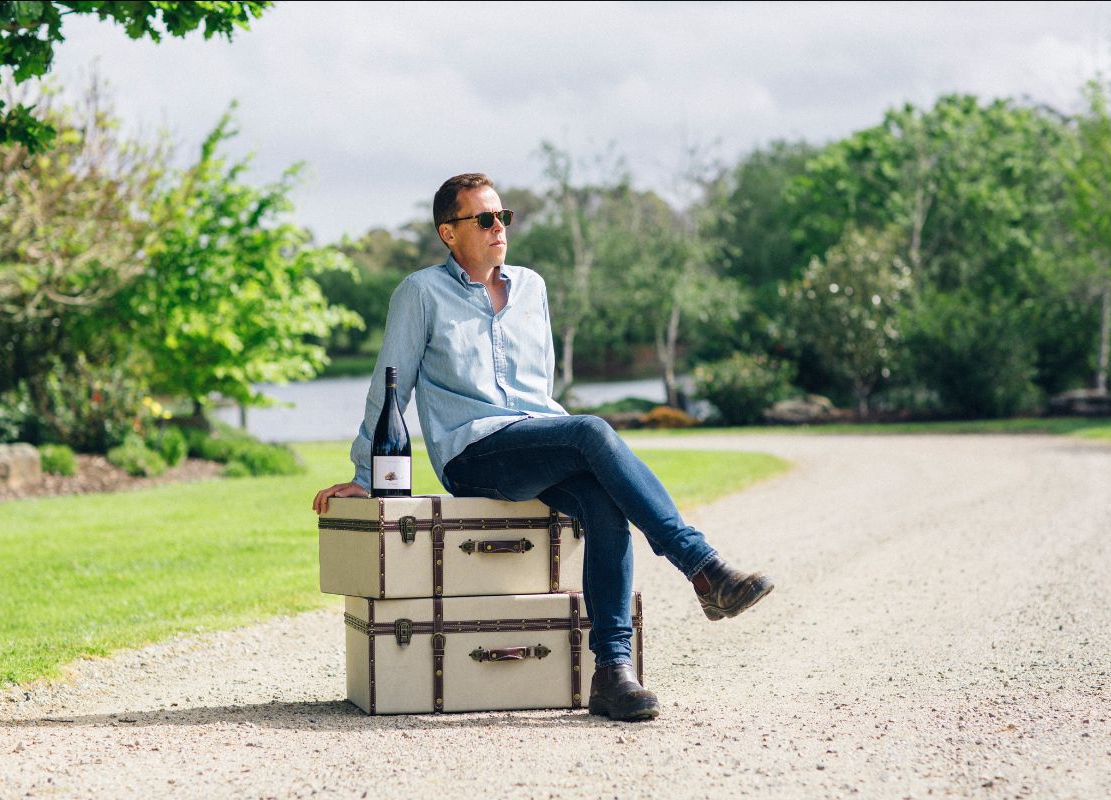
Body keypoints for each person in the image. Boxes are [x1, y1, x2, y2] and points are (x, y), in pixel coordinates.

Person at [312, 173, 774, 722]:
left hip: (537, 438)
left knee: (605, 505)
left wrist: (568, 444)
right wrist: (365, 475)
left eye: (502, 217)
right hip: (473, 452)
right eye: (483, 219)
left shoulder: (532, 286)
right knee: (591, 430)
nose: (498, 227)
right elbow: (390, 383)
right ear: (448, 233)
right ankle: (703, 568)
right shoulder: (420, 292)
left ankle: (612, 674)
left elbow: (542, 390)